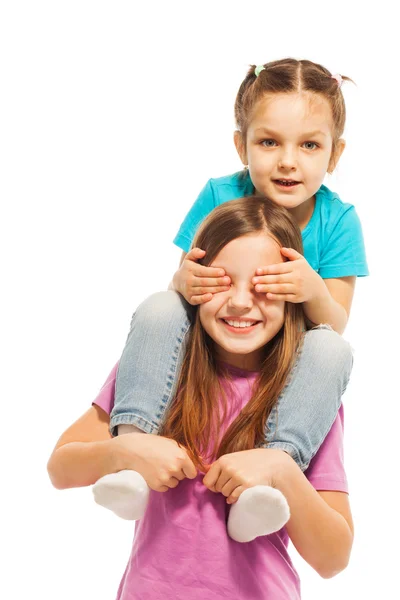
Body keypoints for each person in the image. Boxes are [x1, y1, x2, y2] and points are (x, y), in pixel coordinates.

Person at [89, 58, 367, 538]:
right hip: (214, 341)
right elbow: (186, 274)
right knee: (159, 305)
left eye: (309, 146)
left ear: (334, 155)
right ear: (241, 145)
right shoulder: (221, 194)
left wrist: (312, 290)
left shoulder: (338, 221)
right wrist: (185, 283)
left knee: (332, 349)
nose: (287, 160)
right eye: (268, 142)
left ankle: (270, 477)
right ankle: (132, 459)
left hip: (282, 354)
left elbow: (336, 320)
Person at [47, 197, 354, 599]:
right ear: (194, 282)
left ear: (292, 295)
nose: (241, 301)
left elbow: (333, 558)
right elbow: (60, 468)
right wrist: (125, 451)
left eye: (263, 286)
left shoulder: (305, 393)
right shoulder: (155, 370)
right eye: (221, 282)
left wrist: (281, 470)